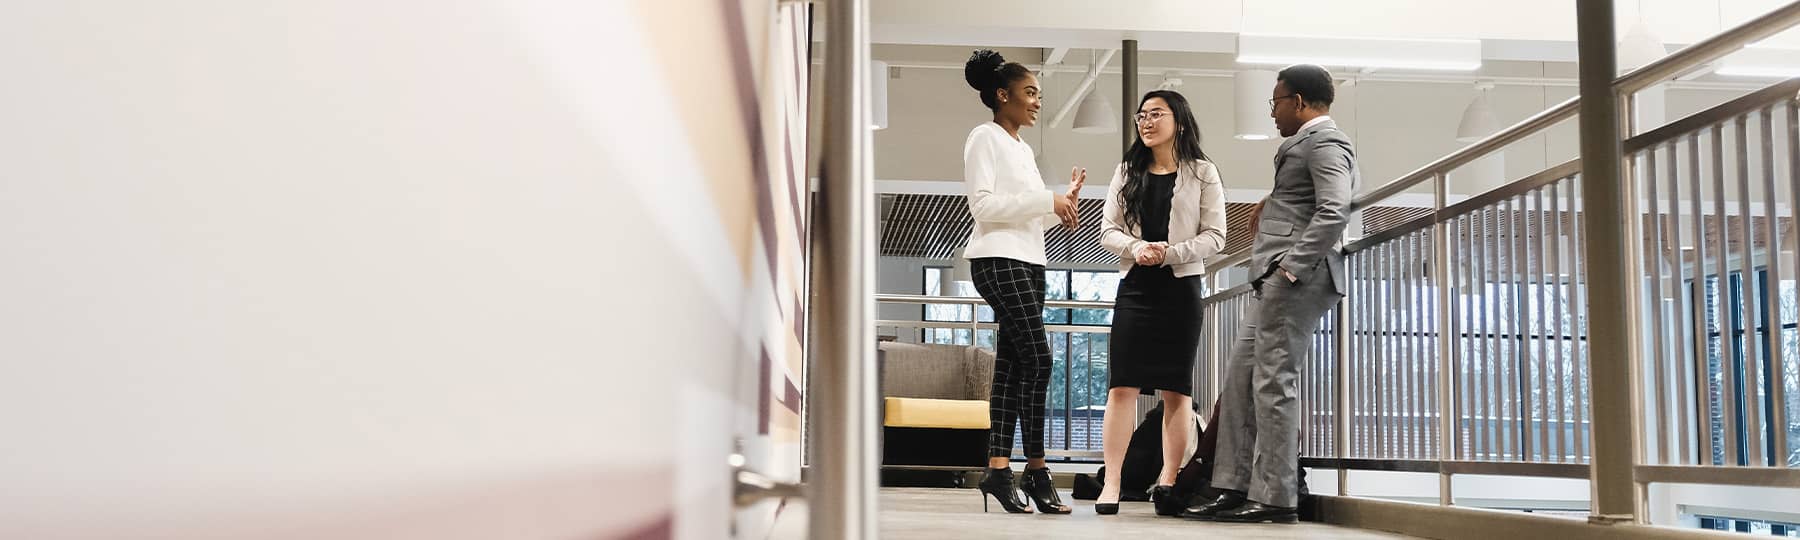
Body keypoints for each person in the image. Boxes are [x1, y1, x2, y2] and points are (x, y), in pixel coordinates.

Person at [1186, 64, 1359, 524]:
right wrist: (1273, 198)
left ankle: (1277, 496)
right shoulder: (1306, 145)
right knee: (1241, 380)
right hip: (1274, 277)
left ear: (1299, 102)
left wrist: (1291, 270)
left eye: (1276, 102)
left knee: (1273, 384)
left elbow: (1335, 207)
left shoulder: (1325, 140)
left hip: (1295, 278)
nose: (1274, 113)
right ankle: (1231, 485)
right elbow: (1307, 199)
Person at [960, 49, 1084, 515]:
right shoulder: (984, 137)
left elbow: (1029, 220)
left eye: (1038, 95)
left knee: (1012, 366)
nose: (1036, 102)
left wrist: (1059, 208)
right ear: (1001, 95)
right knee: (1040, 357)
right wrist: (1043, 200)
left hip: (1029, 260)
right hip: (997, 260)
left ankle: (997, 469)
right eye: (1030, 93)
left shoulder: (1022, 149)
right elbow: (985, 208)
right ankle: (1036, 467)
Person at [1093, 90, 1226, 516]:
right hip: (1136, 288)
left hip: (1180, 289)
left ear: (1179, 122)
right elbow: (1107, 230)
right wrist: (1136, 247)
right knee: (1122, 386)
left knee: (1176, 389)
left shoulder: (1203, 173)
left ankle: (1167, 480)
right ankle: (1111, 480)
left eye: (1156, 114)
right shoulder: (1126, 171)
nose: (1146, 122)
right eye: (1141, 116)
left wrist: (1169, 252)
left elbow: (1216, 236)